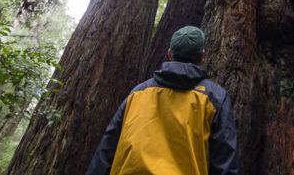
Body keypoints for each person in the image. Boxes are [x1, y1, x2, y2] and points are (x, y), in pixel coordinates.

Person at [85, 26, 239, 175]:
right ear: (202, 57)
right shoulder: (215, 98)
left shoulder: (138, 93)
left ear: (170, 54)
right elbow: (225, 163)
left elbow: (105, 153)